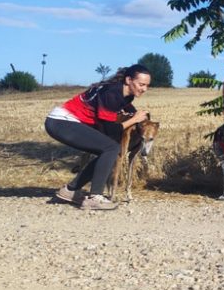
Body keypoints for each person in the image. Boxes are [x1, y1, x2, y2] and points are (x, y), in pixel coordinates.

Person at [45, 64, 151, 211]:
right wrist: (133, 120)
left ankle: (69, 191)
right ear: (128, 80)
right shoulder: (111, 94)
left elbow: (127, 112)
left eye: (147, 85)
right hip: (61, 122)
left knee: (109, 150)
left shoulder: (124, 94)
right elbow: (109, 130)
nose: (144, 89)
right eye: (141, 84)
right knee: (111, 147)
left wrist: (140, 119)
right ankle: (95, 197)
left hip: (66, 122)